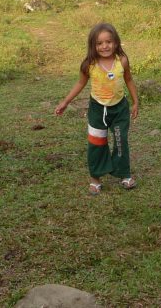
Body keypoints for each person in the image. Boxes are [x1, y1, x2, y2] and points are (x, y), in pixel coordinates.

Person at [55, 22, 139, 195]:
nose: (104, 46)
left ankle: (124, 174)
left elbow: (129, 80)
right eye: (99, 43)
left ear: (116, 42)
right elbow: (80, 83)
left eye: (108, 41)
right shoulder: (89, 64)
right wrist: (65, 102)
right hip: (97, 110)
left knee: (120, 140)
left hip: (119, 109)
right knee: (97, 143)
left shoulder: (121, 61)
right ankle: (96, 178)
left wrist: (135, 101)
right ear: (93, 45)